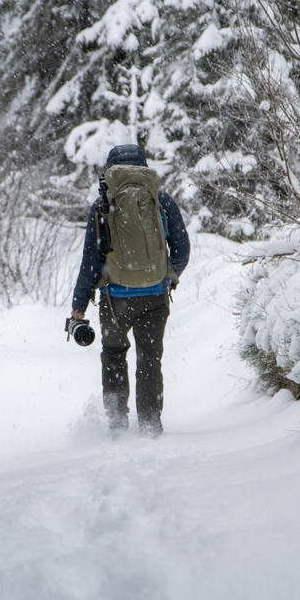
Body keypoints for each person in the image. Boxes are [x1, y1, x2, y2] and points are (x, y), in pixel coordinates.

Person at [70, 144, 190, 438]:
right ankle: (150, 425)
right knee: (149, 358)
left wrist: (78, 308)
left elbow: (90, 261)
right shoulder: (161, 201)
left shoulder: (102, 206)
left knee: (113, 355)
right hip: (154, 298)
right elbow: (182, 249)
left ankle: (117, 426)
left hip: (115, 301)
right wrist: (166, 276)